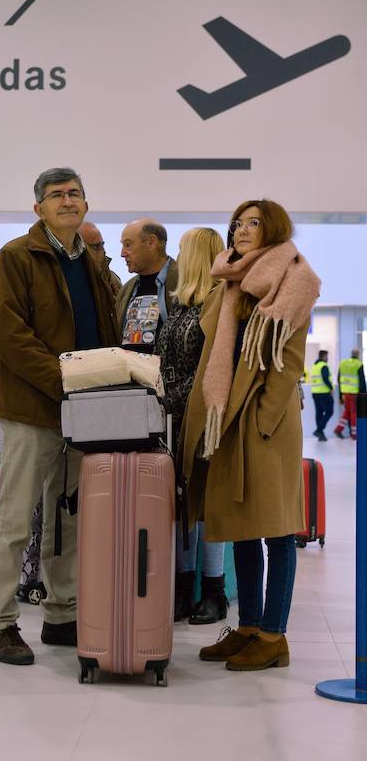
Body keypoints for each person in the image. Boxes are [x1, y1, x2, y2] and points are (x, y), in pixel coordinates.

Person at [0, 167, 118, 666]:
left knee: (68, 519)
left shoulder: (92, 265)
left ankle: (63, 613)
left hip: (84, 412)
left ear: (86, 205)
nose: (67, 201)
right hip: (30, 409)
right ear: (38, 207)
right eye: (57, 195)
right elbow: (8, 331)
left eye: (75, 193)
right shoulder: (16, 256)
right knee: (14, 518)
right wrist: (63, 377)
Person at [178, 199, 320, 671]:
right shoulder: (233, 281)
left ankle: (273, 636)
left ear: (273, 229)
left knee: (277, 530)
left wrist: (262, 419)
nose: (240, 230)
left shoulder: (293, 279)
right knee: (241, 527)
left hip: (265, 423)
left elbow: (289, 360)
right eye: (237, 223)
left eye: (252, 223)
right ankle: (248, 628)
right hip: (231, 420)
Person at [156, 227, 227, 625]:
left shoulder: (216, 304)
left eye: (183, 250)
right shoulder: (182, 305)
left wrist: (169, 393)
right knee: (182, 505)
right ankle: (184, 590)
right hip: (173, 419)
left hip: (200, 420)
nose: (177, 258)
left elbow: (210, 370)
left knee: (204, 506)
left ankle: (213, 591)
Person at [116, 218, 178, 354]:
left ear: (151, 243)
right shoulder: (126, 290)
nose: (122, 253)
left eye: (128, 245)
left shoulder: (184, 282)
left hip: (166, 373)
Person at [78, 220, 122, 296]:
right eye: (96, 246)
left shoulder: (111, 279)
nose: (103, 251)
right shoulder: (65, 278)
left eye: (102, 245)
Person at [334, 349, 366, 440]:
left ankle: (338, 429)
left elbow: (339, 379)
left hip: (345, 393)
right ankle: (354, 434)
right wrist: (363, 394)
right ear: (358, 354)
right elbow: (362, 380)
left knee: (347, 412)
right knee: (353, 413)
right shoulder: (358, 364)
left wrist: (340, 395)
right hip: (354, 393)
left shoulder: (343, 363)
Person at [310, 349, 334, 441]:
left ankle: (320, 434)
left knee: (319, 413)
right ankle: (319, 430)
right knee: (329, 411)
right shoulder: (324, 365)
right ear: (324, 356)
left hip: (315, 393)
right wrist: (331, 388)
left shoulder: (314, 366)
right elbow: (325, 378)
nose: (327, 358)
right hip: (324, 393)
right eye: (327, 356)